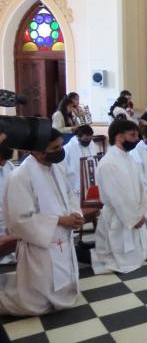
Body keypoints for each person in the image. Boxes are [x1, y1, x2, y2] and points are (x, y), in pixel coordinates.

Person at [0, 128, 83, 315]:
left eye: (61, 145)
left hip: (62, 239)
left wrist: (76, 214)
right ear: (37, 151)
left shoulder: (57, 168)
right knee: (35, 303)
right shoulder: (21, 176)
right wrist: (60, 220)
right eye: (55, 147)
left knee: (63, 284)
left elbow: (69, 194)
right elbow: (19, 220)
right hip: (41, 245)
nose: (61, 150)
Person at [90, 120, 147, 274]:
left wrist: (142, 212)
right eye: (132, 135)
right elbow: (118, 196)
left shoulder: (129, 158)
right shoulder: (109, 163)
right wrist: (134, 217)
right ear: (119, 137)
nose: (137, 139)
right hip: (118, 215)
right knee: (120, 258)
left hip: (132, 213)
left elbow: (140, 188)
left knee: (136, 254)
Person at [62, 125, 95, 200]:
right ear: (78, 136)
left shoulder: (92, 144)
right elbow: (63, 168)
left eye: (90, 138)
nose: (88, 140)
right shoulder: (67, 148)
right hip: (75, 184)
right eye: (86, 138)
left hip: (91, 181)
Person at [0, 146, 15, 264]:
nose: (3, 163)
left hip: (7, 211)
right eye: (1, 159)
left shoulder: (9, 166)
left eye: (5, 160)